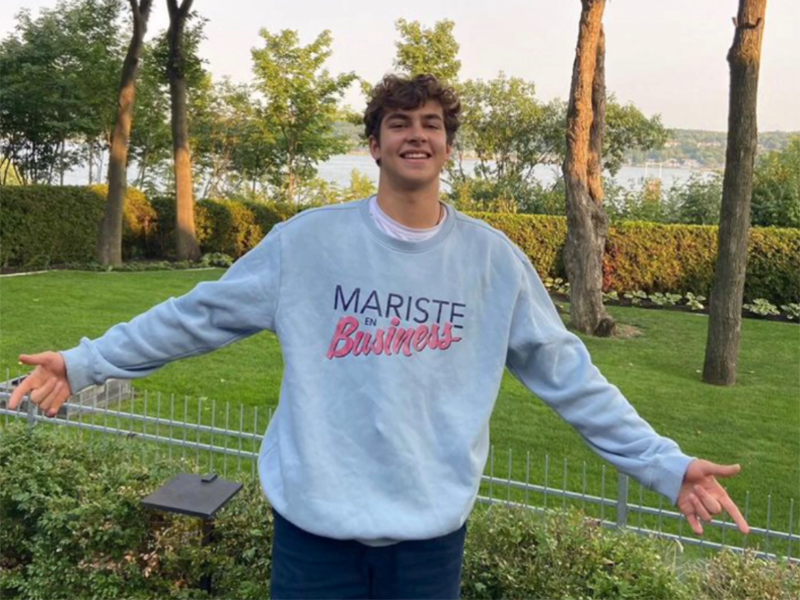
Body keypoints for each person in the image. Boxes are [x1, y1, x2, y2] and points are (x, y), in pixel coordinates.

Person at [9, 74, 749, 600]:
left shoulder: (493, 263)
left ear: (448, 147)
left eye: (431, 124)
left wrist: (666, 464)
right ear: (375, 144)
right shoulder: (307, 244)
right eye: (399, 123)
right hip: (312, 540)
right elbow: (195, 316)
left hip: (429, 546)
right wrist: (85, 362)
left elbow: (571, 377)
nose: (416, 134)